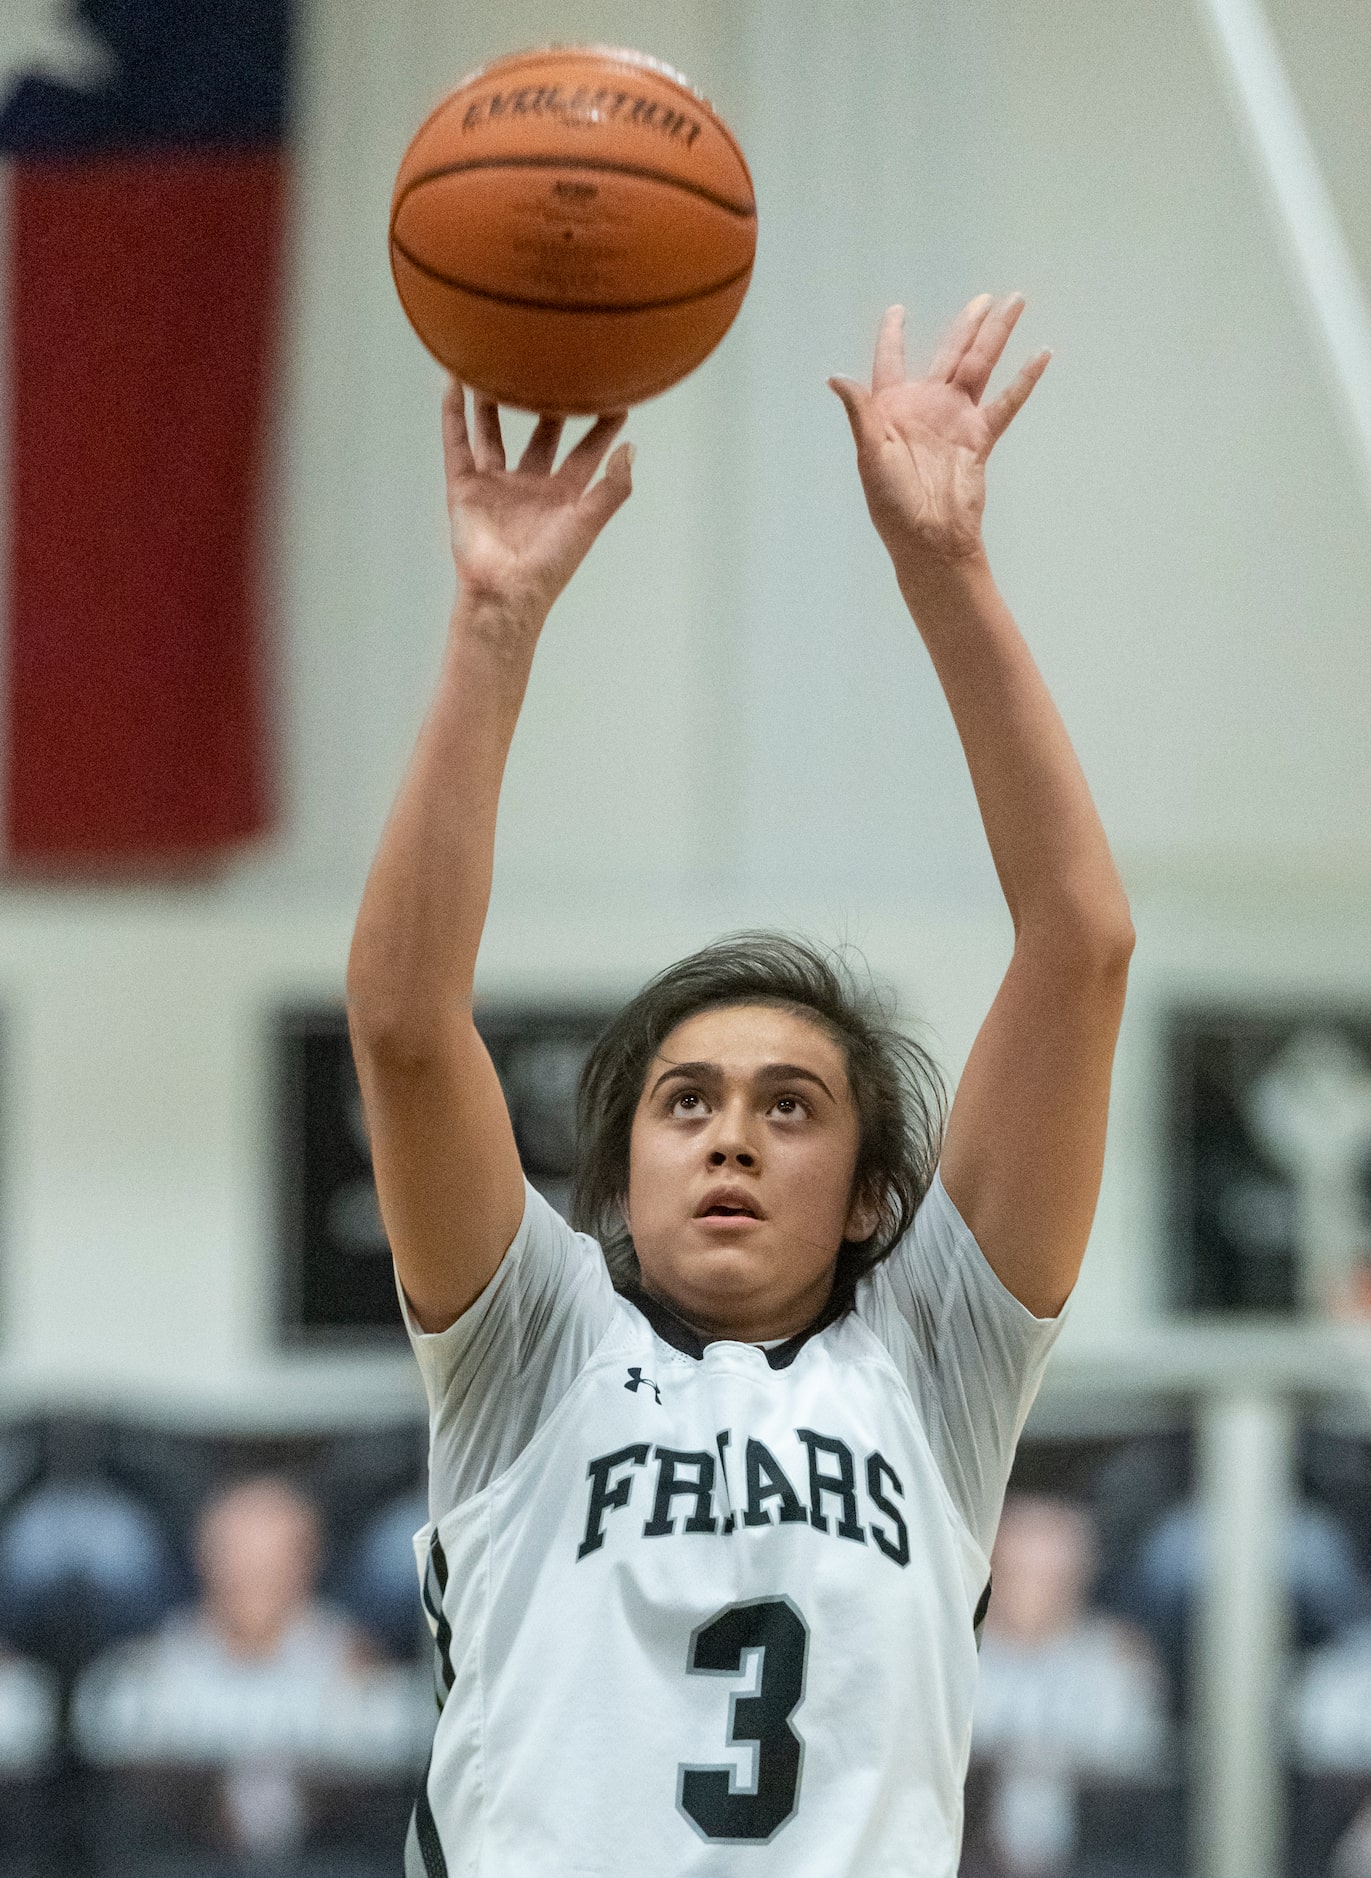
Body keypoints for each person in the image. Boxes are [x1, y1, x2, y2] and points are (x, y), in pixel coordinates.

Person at [347, 293, 1134, 1876]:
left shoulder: (932, 1361)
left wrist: (945, 572)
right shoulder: (529, 1348)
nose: (727, 1136)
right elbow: (409, 1025)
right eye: (683, 1100)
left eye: (790, 1106)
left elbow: (1080, 945)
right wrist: (492, 625)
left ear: (866, 1200)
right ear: (621, 1167)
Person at [73, 1475, 431, 1855]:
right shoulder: (152, 1669)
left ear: (309, 1560)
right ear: (204, 1557)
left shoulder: (359, 1667)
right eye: (237, 1556)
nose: (253, 1577)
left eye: (272, 1559)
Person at [967, 1494, 1169, 1876]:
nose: (1035, 1590)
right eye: (1020, 1572)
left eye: (1051, 1575)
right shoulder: (958, 1654)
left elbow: (1124, 1760)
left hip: (1096, 1858)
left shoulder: (1116, 1656)